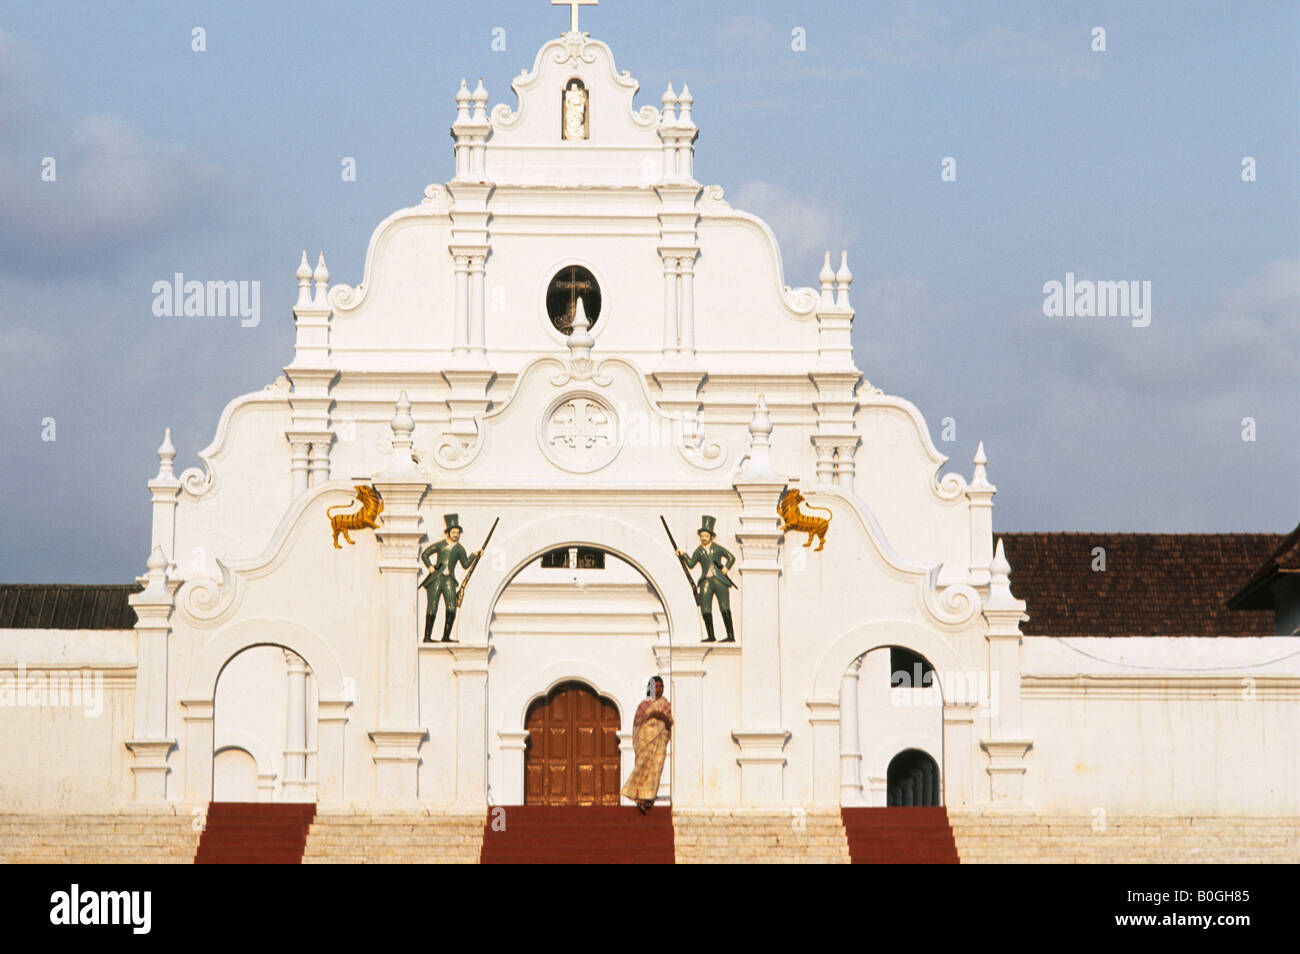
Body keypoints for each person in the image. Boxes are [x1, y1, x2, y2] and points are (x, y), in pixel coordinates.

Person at [419, 514, 482, 643]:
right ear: (447, 533)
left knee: (452, 605)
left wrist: (474, 555)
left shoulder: (459, 549)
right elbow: (425, 554)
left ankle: (446, 636)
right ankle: (427, 636)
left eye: (457, 533)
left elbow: (465, 564)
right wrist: (430, 566)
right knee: (432, 605)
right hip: (436, 578)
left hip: (449, 579)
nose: (455, 535)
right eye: (453, 532)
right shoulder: (441, 545)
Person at [676, 514, 736, 642]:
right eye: (702, 536)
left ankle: (730, 635)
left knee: (724, 606)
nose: (703, 538)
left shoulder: (717, 548)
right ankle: (711, 635)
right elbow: (691, 563)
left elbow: (731, 557)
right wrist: (683, 555)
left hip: (719, 579)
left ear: (711, 537)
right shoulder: (699, 551)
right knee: (705, 606)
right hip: (706, 581)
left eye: (706, 536)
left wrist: (726, 567)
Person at [621, 676, 672, 813]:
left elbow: (670, 722)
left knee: (656, 767)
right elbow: (638, 722)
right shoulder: (644, 705)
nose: (659, 689)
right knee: (642, 766)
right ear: (650, 688)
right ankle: (639, 796)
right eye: (656, 686)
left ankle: (648, 798)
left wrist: (661, 717)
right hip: (645, 740)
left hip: (659, 740)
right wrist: (651, 715)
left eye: (661, 686)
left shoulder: (666, 705)